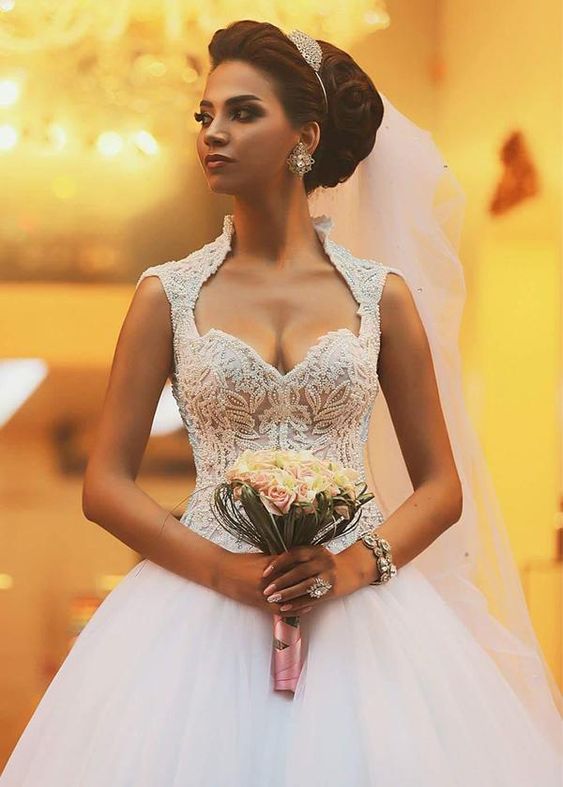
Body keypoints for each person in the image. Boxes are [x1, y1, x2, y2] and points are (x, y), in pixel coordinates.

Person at [1, 19, 561, 787]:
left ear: (305, 136)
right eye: (206, 116)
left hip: (361, 616)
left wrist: (353, 567)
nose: (213, 134)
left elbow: (441, 486)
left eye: (242, 112)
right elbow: (104, 483)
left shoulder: (381, 299)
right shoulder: (165, 294)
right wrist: (225, 573)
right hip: (197, 608)